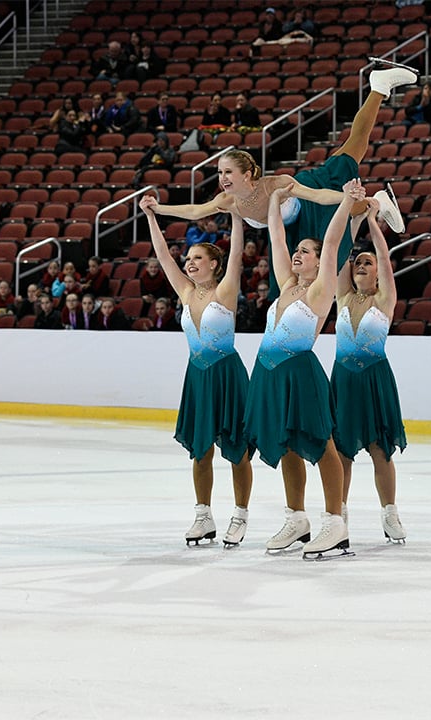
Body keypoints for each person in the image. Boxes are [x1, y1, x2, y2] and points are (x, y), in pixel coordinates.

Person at [145, 61, 416, 297]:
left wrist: (346, 197)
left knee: (354, 157)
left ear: (248, 174)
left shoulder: (273, 184)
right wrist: (157, 208)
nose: (223, 178)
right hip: (290, 234)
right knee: (354, 149)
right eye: (219, 173)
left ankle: (375, 196)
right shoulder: (228, 200)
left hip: (309, 200)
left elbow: (317, 196)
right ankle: (378, 91)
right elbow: (194, 211)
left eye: (228, 172)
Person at [244, 180, 361, 560]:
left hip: (299, 372)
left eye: (305, 252)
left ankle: (334, 521)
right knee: (286, 443)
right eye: (299, 250)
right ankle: (296, 518)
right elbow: (276, 240)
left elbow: (331, 245)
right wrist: (275, 201)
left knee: (321, 443)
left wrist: (345, 204)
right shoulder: (285, 287)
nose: (298, 254)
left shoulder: (320, 289)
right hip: (269, 375)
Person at [140, 194, 254, 547]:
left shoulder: (226, 290)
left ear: (214, 266)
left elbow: (236, 254)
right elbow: (161, 256)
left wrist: (235, 217)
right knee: (201, 450)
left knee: (236, 450)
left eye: (197, 259)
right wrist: (150, 217)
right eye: (188, 258)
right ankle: (203, 515)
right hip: (198, 377)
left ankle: (240, 515)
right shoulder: (186, 292)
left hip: (227, 374)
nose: (188, 264)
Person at [332, 197, 408, 544]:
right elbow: (339, 253)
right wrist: (355, 217)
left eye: (367, 262)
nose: (360, 265)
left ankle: (390, 513)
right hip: (344, 381)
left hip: (375, 379)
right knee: (343, 451)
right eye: (357, 262)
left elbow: (383, 254)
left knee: (380, 449)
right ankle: (339, 512)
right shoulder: (343, 298)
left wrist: (374, 221)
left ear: (378, 270)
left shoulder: (384, 300)